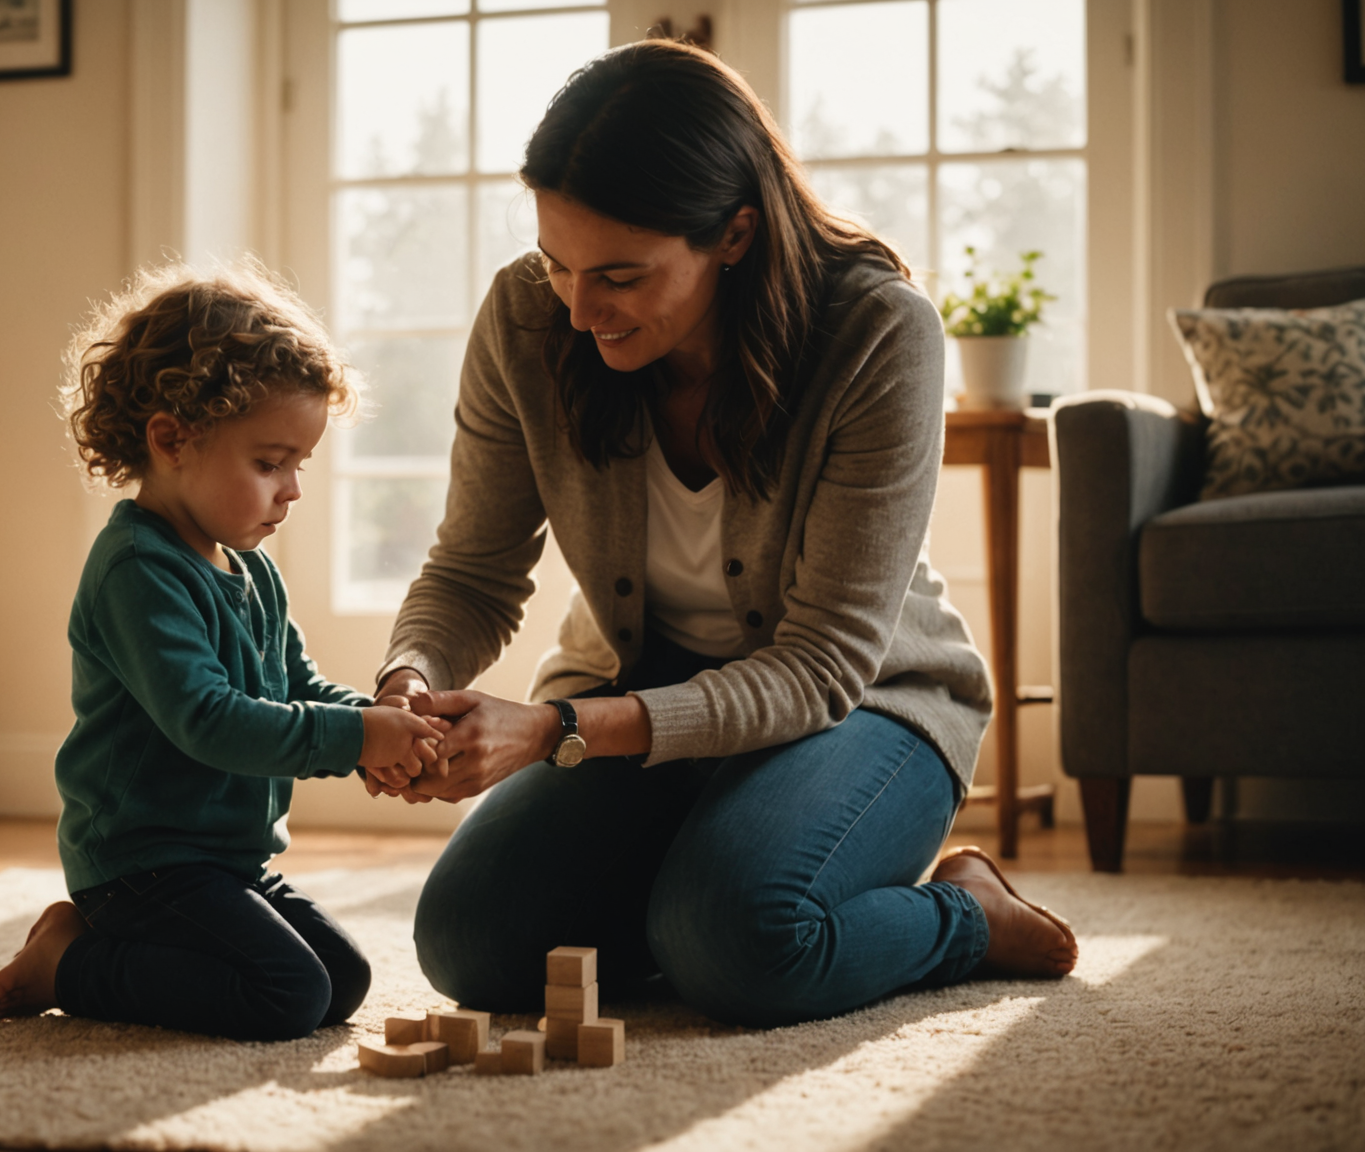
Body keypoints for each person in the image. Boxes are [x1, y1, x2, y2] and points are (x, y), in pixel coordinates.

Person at [366, 39, 1078, 1028]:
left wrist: (558, 731)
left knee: (739, 941)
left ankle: (965, 915)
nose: (578, 310)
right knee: (472, 946)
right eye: (557, 262)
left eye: (618, 274)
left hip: (862, 705)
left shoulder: (879, 333)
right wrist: (406, 681)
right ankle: (696, 897)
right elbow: (473, 570)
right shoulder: (530, 319)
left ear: (734, 234)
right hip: (642, 692)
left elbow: (823, 665)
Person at [0, 263, 446, 1040]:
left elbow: (294, 685)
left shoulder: (253, 568)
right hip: (141, 864)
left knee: (344, 981)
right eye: (270, 463)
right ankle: (67, 961)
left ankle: (95, 954)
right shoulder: (136, 570)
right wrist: (356, 740)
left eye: (299, 464)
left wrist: (378, 722)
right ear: (172, 439)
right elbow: (209, 720)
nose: (292, 489)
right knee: (286, 994)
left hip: (226, 860)